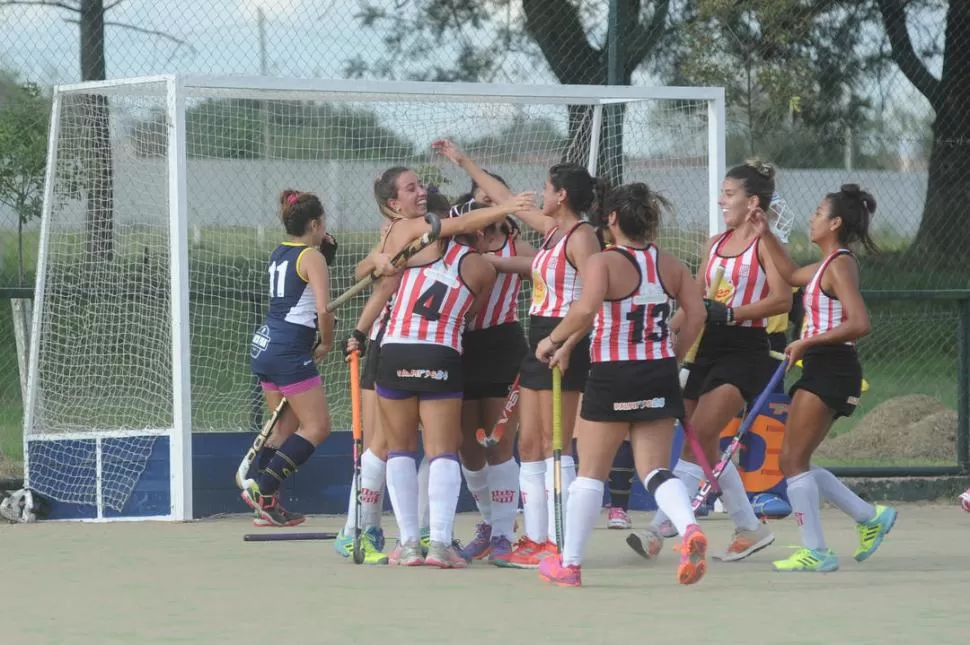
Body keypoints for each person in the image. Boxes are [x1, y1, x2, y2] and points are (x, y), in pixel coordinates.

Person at [433, 139, 605, 569]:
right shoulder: (551, 232)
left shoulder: (583, 238)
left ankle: (556, 540)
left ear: (561, 195)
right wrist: (465, 161)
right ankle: (533, 537)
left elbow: (591, 300)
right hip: (542, 337)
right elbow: (505, 200)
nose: (539, 195)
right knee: (529, 445)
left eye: (546, 189)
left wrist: (565, 341)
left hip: (562, 341)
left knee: (553, 446)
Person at [533, 182, 709, 587]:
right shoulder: (669, 264)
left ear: (611, 219)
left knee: (591, 473)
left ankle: (570, 565)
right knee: (654, 470)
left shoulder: (603, 262)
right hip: (658, 372)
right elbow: (696, 315)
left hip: (613, 374)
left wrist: (552, 340)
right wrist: (674, 357)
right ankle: (688, 531)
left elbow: (585, 310)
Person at [372, 164, 535, 568]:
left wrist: (375, 262)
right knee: (446, 452)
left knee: (400, 451)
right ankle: (442, 544)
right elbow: (468, 313)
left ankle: (409, 543)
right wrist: (509, 205)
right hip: (444, 351)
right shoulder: (480, 267)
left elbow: (380, 277)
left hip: (396, 348)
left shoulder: (410, 242)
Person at [638, 160, 789, 562]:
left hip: (746, 347)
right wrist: (669, 329)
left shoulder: (766, 245)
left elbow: (783, 299)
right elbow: (696, 299)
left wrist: (733, 313)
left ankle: (660, 527)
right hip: (707, 345)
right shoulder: (716, 243)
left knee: (701, 435)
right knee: (695, 437)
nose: (721, 200)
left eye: (728, 193)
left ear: (752, 201)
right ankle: (749, 527)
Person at [751, 184, 897, 572]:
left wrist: (806, 340)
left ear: (834, 222)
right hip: (822, 366)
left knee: (791, 461)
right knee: (796, 460)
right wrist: (763, 230)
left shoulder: (841, 264)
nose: (812, 218)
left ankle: (816, 550)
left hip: (832, 367)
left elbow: (859, 322)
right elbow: (789, 272)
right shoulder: (823, 266)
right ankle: (869, 516)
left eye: (818, 212)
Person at [449, 201, 536, 562]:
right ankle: (488, 524)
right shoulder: (458, 240)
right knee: (467, 447)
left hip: (502, 344)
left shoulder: (517, 247)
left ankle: (503, 533)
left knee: (497, 443)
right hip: (461, 345)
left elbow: (550, 268)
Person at [241, 190, 335, 523]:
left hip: (266, 344)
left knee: (284, 430)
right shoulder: (313, 257)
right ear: (314, 223)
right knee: (318, 427)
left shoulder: (279, 252)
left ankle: (264, 507)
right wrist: (326, 342)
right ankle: (263, 489)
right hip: (289, 350)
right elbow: (324, 309)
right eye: (323, 223)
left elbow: (301, 293)